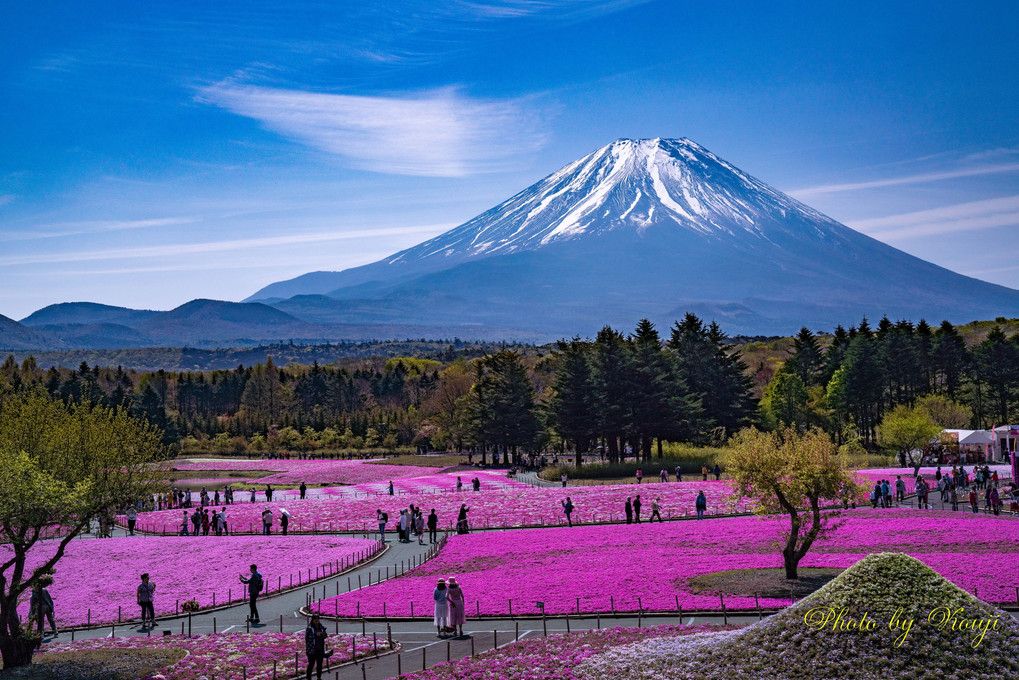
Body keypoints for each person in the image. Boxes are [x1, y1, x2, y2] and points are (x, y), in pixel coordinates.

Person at [305, 614, 329, 680]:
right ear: (312, 620)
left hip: (320, 649)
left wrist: (324, 634)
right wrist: (315, 635)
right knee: (311, 664)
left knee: (319, 664)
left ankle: (319, 677)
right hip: (312, 650)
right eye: (315, 621)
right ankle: (308, 677)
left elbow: (325, 636)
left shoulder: (321, 627)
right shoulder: (309, 628)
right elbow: (307, 638)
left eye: (318, 620)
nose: (317, 622)